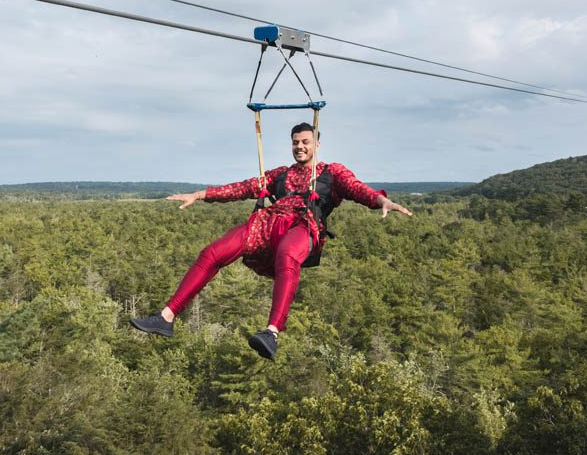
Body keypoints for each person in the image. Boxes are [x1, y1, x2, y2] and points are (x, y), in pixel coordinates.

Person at [130, 122, 412, 360]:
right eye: (295, 143)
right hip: (268, 223)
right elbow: (242, 188)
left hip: (304, 225)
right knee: (213, 252)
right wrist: (201, 195)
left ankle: (272, 332)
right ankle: (166, 317)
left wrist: (381, 200)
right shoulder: (280, 174)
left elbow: (357, 189)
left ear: (317, 145)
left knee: (288, 255)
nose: (299, 147)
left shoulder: (331, 172)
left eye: (305, 142)